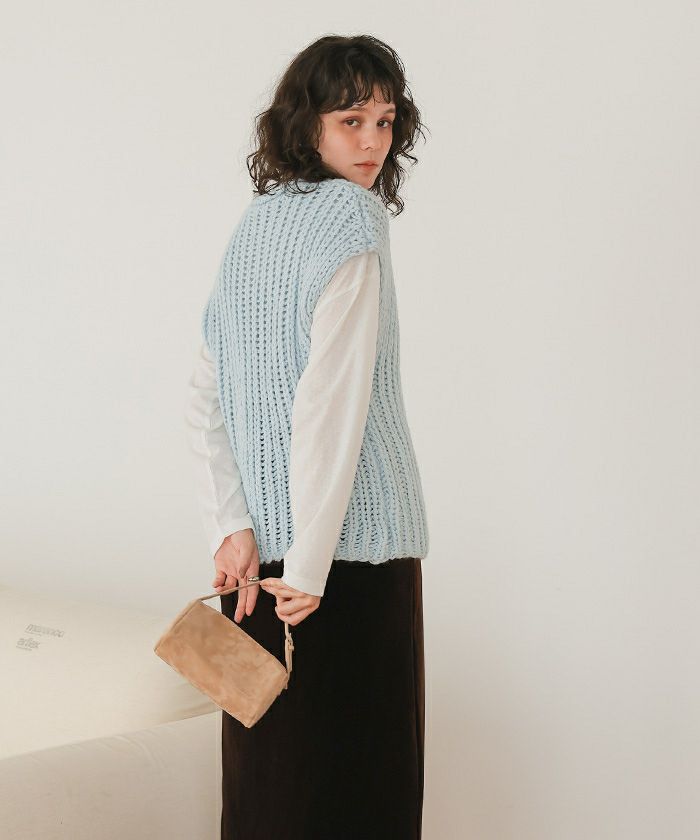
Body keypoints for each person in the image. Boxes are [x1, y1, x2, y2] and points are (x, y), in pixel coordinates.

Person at [185, 33, 430, 840]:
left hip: (255, 571)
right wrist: (312, 565)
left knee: (266, 791)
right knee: (361, 793)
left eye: (385, 121)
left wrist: (231, 527)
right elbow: (333, 407)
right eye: (350, 120)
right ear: (307, 123)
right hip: (344, 566)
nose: (372, 142)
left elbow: (206, 392)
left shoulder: (255, 226)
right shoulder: (352, 221)